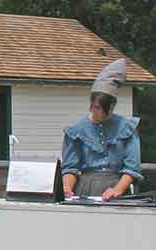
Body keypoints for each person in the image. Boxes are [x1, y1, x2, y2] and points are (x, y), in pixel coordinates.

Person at [61, 58, 143, 200]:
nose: (102, 114)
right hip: (85, 189)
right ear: (91, 104)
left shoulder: (127, 128)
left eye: (108, 109)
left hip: (117, 189)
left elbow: (132, 167)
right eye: (98, 108)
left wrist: (117, 189)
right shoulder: (75, 131)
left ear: (114, 105)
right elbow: (70, 168)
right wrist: (67, 187)